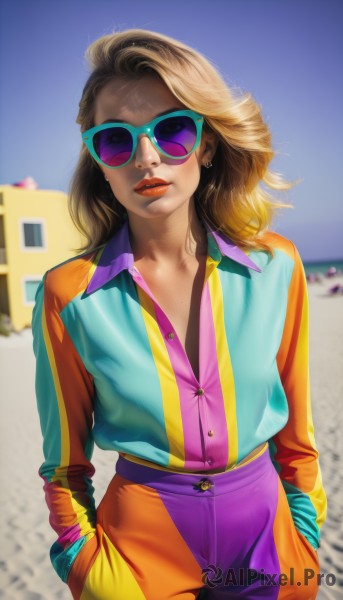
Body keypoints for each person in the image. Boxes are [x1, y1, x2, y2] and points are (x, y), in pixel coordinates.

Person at [32, 29, 327, 600]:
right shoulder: (69, 294)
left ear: (207, 143)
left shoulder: (278, 267)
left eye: (170, 130)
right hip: (137, 559)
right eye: (116, 139)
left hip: (270, 544)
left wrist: (306, 538)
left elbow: (298, 434)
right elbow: (64, 466)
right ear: (99, 160)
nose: (146, 157)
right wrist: (84, 563)